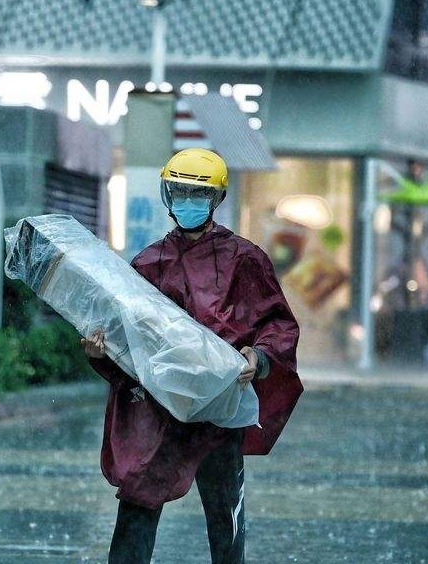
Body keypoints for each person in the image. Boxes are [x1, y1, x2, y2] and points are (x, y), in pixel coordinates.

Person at [81, 148, 301, 563]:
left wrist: (259, 357)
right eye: (178, 191)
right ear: (166, 194)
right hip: (159, 409)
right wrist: (100, 351)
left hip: (220, 409)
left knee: (225, 515)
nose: (187, 201)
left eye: (196, 193)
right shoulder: (147, 264)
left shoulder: (245, 260)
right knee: (138, 502)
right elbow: (125, 345)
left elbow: (277, 324)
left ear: (216, 198)